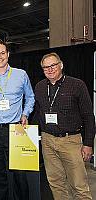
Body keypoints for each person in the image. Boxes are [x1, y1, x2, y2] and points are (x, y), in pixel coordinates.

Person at [0, 41, 35, 200]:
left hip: (16, 129)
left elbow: (30, 97)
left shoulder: (21, 74)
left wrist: (25, 114)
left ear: (8, 54)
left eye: (2, 53)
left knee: (20, 173)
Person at [34, 52, 95, 200]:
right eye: (45, 67)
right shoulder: (40, 87)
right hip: (47, 141)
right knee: (56, 184)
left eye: (53, 65)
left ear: (61, 65)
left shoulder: (77, 85)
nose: (50, 69)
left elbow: (89, 116)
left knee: (79, 186)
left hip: (71, 141)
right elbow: (38, 112)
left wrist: (88, 144)